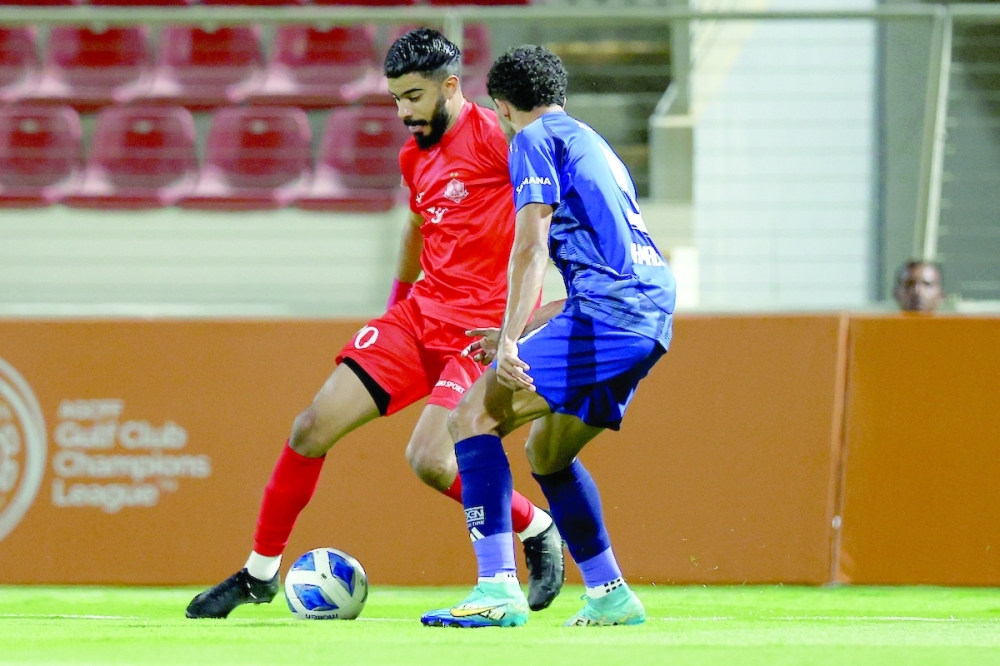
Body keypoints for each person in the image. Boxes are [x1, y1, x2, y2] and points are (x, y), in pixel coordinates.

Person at [186, 29, 564, 620]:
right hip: (419, 316)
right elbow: (417, 230)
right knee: (310, 428)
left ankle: (536, 527)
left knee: (431, 461)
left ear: (450, 86)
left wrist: (535, 314)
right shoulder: (413, 157)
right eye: (395, 99)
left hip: (479, 332)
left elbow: (542, 227)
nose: (403, 113)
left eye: (413, 97)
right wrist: (396, 304)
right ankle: (258, 575)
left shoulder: (499, 139)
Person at [420, 45, 677, 629]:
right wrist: (520, 328)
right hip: (647, 314)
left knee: (471, 417)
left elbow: (531, 247)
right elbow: (604, 269)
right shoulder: (594, 145)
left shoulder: (532, 140)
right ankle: (610, 595)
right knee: (548, 452)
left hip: (610, 316)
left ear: (503, 107)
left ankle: (496, 589)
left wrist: (510, 341)